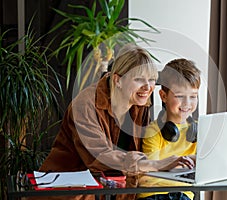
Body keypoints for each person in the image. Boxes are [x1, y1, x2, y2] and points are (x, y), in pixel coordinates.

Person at [38, 44, 194, 200]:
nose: (148, 87)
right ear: (117, 80)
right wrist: (156, 164)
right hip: (67, 191)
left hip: (113, 190)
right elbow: (99, 156)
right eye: (139, 79)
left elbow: (141, 154)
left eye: (152, 79)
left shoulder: (139, 104)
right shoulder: (85, 104)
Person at [137, 58, 201, 200]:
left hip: (183, 194)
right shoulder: (153, 131)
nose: (187, 103)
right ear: (163, 96)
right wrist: (190, 161)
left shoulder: (198, 130)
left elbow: (209, 163)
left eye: (193, 96)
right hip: (153, 194)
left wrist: (182, 161)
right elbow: (151, 167)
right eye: (179, 96)